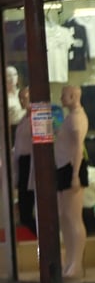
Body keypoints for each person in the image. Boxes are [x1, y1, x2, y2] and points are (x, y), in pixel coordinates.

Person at [55, 85, 89, 278]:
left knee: (74, 217)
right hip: (64, 168)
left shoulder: (77, 119)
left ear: (74, 96)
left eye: (64, 95)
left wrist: (75, 174)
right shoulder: (70, 117)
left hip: (71, 168)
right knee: (65, 217)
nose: (61, 99)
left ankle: (76, 263)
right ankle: (69, 261)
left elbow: (78, 148)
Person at [13, 86, 36, 237]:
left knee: (28, 209)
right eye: (20, 98)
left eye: (25, 98)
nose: (22, 101)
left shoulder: (36, 119)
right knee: (23, 211)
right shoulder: (23, 120)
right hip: (23, 164)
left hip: (31, 164)